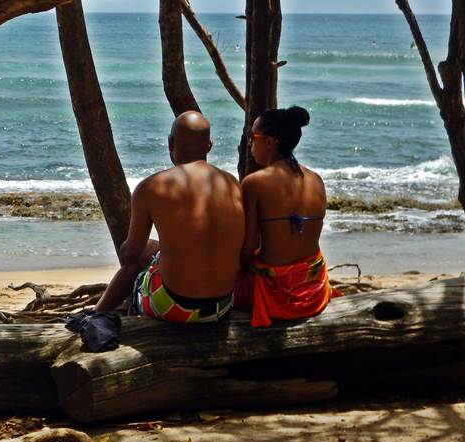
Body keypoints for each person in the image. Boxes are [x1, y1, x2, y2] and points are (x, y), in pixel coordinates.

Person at [94, 111, 244, 323]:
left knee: (134, 261)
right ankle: (96, 314)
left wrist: (126, 248)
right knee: (150, 248)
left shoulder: (152, 186)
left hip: (173, 308)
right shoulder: (232, 184)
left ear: (171, 143)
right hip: (221, 306)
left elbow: (130, 254)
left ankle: (95, 315)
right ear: (209, 145)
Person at [234, 106, 339, 327]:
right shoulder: (316, 179)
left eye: (253, 136)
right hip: (314, 289)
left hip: (278, 295)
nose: (250, 143)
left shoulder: (254, 183)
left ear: (271, 142)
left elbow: (247, 248)